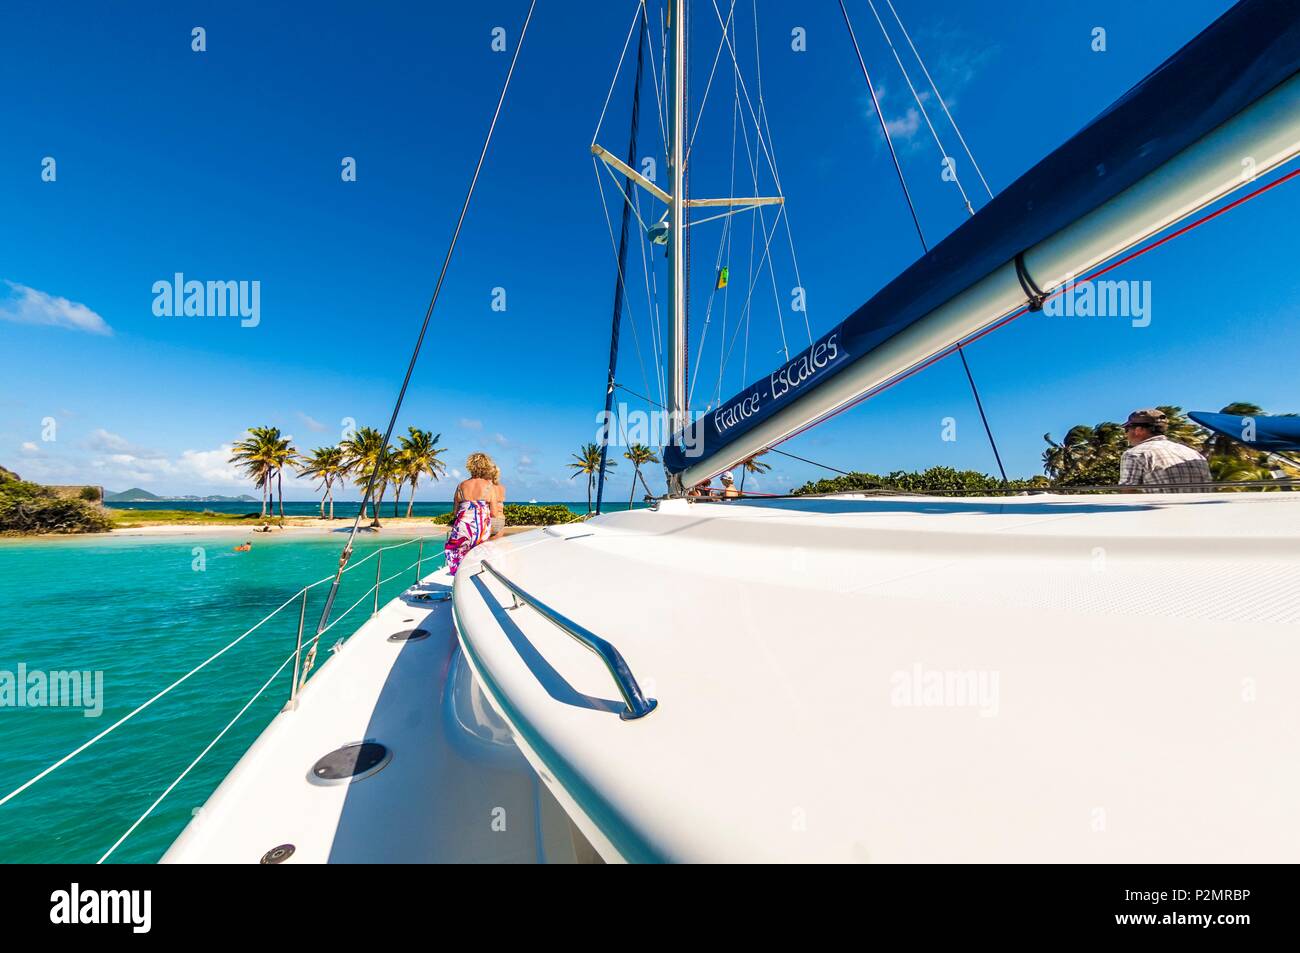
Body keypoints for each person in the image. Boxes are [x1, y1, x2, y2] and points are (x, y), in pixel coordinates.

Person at [1118, 408, 1211, 492]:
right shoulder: (1194, 453)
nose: (1126, 434)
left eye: (1127, 429)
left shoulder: (1135, 454)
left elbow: (1128, 493)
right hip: (1202, 510)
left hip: (1161, 510)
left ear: (1139, 430)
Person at [444, 452, 495, 574]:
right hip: (481, 529)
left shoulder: (461, 486)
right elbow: (493, 512)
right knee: (480, 557)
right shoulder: (489, 486)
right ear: (486, 467)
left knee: (458, 555)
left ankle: (459, 578)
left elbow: (455, 511)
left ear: (470, 466)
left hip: (462, 528)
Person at [489, 464, 506, 539]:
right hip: (501, 519)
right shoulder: (502, 487)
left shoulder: (487, 487)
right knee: (497, 547)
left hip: (491, 519)